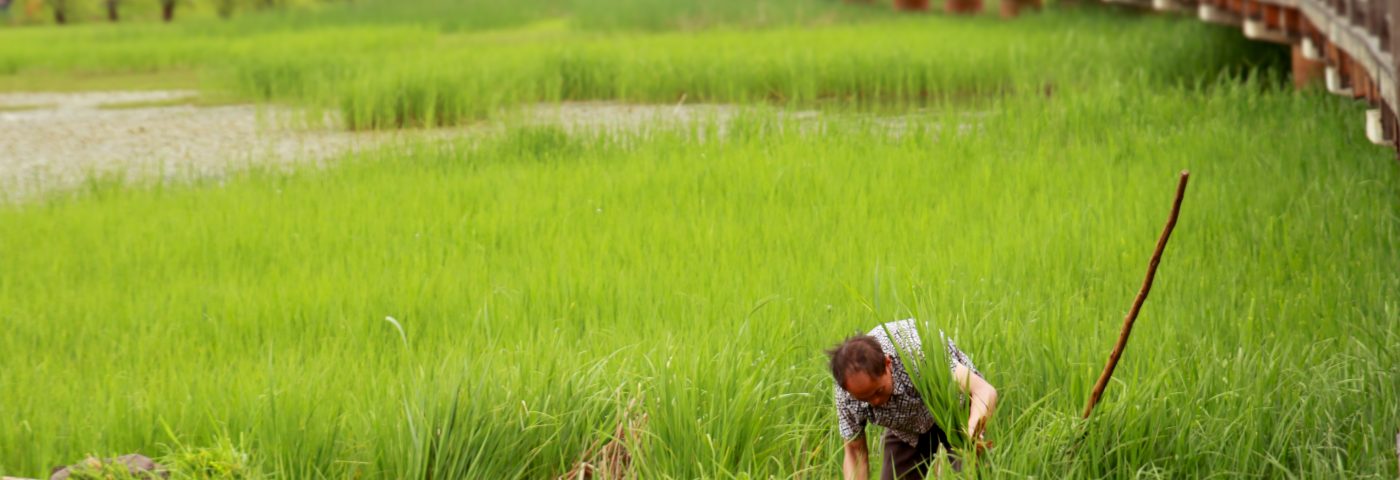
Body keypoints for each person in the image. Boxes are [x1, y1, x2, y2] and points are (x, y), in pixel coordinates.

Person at [826, 319, 998, 480]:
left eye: (878, 391)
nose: (875, 402)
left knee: (970, 474)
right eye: (865, 399)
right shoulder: (846, 395)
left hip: (956, 411)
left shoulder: (917, 354)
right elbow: (856, 453)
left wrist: (972, 431)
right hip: (906, 427)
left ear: (888, 364)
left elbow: (985, 391)